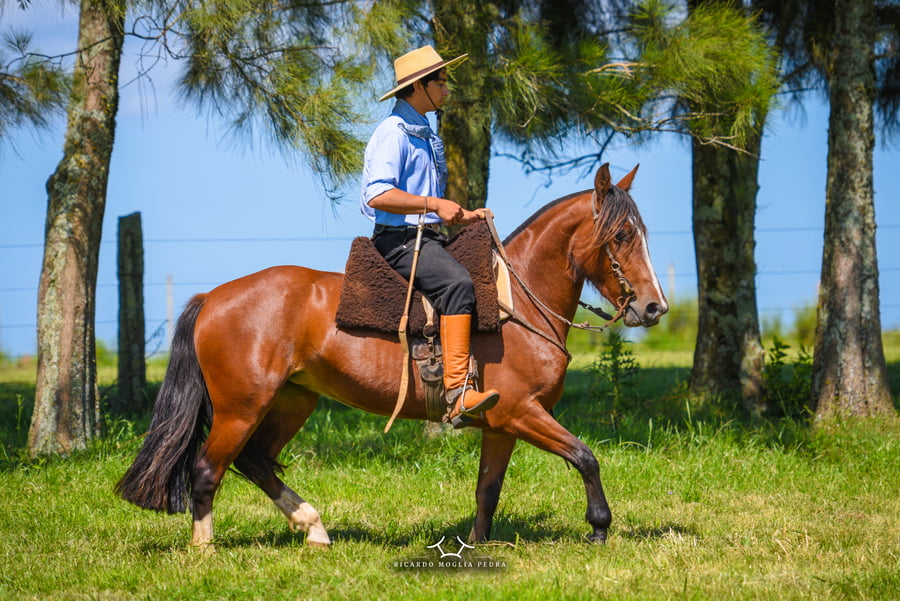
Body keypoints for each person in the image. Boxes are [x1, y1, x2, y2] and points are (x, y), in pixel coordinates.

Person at [360, 45, 499, 428]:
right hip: (399, 241)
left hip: (424, 237)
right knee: (457, 284)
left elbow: (425, 201)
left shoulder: (420, 132)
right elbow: (378, 194)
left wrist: (465, 215)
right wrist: (434, 204)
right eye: (441, 82)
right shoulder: (395, 132)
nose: (447, 89)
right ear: (419, 86)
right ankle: (457, 394)